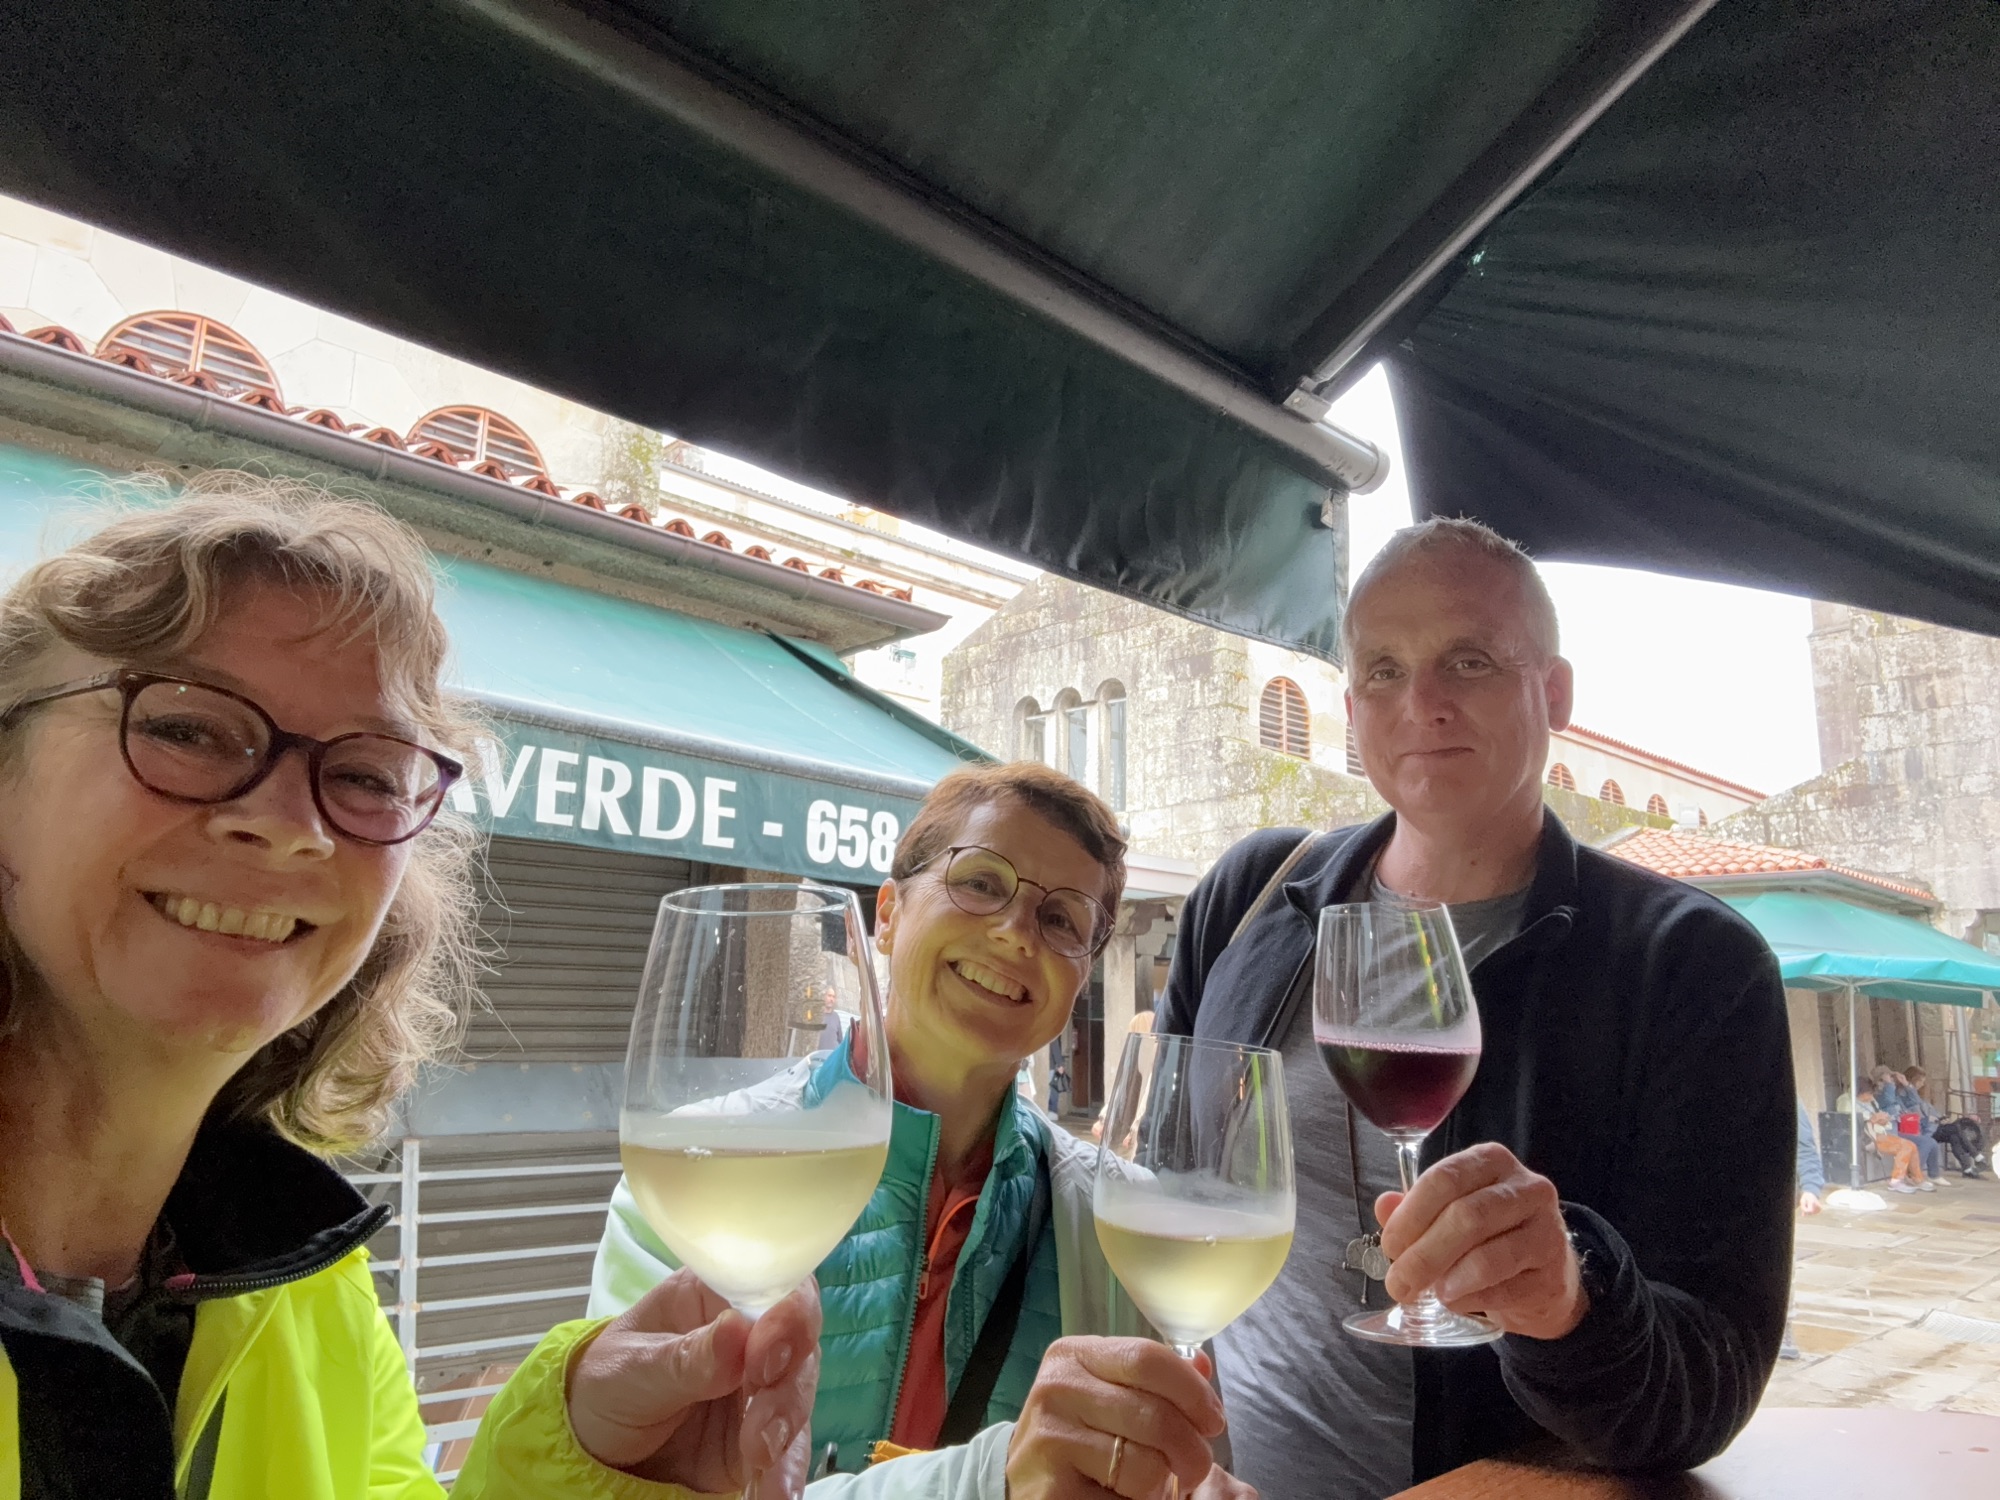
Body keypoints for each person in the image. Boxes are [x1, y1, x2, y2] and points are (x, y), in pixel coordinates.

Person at [0, 475, 819, 1497]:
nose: (290, 826)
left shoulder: (306, 1283)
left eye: (366, 776)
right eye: (188, 728)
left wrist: (599, 1464)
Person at [1158, 518, 1795, 1494]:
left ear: (1555, 692)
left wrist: (1571, 1305)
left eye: (1468, 660)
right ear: (1350, 707)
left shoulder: (1693, 966)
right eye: (1383, 670)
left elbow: (1710, 1384)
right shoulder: (1251, 896)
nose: (1422, 704)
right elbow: (1160, 1184)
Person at [593, 762, 1252, 1500]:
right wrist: (990, 1478)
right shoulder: (694, 1170)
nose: (1015, 934)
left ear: (1079, 981)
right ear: (887, 916)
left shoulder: (1121, 1226)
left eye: (1062, 920)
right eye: (981, 883)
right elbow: (626, 1485)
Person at [1904, 1066, 1988, 1177]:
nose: (1922, 1084)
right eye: (1920, 1081)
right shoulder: (1908, 1095)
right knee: (1955, 1127)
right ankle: (1977, 1156)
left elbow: (1930, 1112)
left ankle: (1967, 1168)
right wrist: (1933, 1120)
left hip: (1933, 1126)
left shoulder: (1918, 1095)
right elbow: (1915, 1114)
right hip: (1924, 1129)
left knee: (1954, 1136)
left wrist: (1940, 1118)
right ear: (1913, 1079)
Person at [1871, 1065, 1948, 1184]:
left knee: (1931, 1142)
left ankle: (1933, 1175)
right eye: (1890, 1077)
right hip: (1891, 1132)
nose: (1893, 1080)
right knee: (1925, 1142)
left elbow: (1915, 1102)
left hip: (1903, 1127)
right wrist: (1889, 1084)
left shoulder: (1894, 1093)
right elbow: (1888, 1102)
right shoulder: (1878, 1094)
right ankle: (1912, 1174)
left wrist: (1906, 1084)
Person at [1853, 1085, 1929, 1193]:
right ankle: (1896, 1181)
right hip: (1867, 1136)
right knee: (1905, 1147)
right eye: (1868, 1094)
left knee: (1912, 1145)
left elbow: (1880, 1119)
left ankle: (1917, 1178)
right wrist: (1872, 1120)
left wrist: (1884, 1120)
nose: (1871, 1097)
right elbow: (1852, 1121)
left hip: (1881, 1132)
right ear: (1859, 1092)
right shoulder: (1847, 1102)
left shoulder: (1872, 1102)